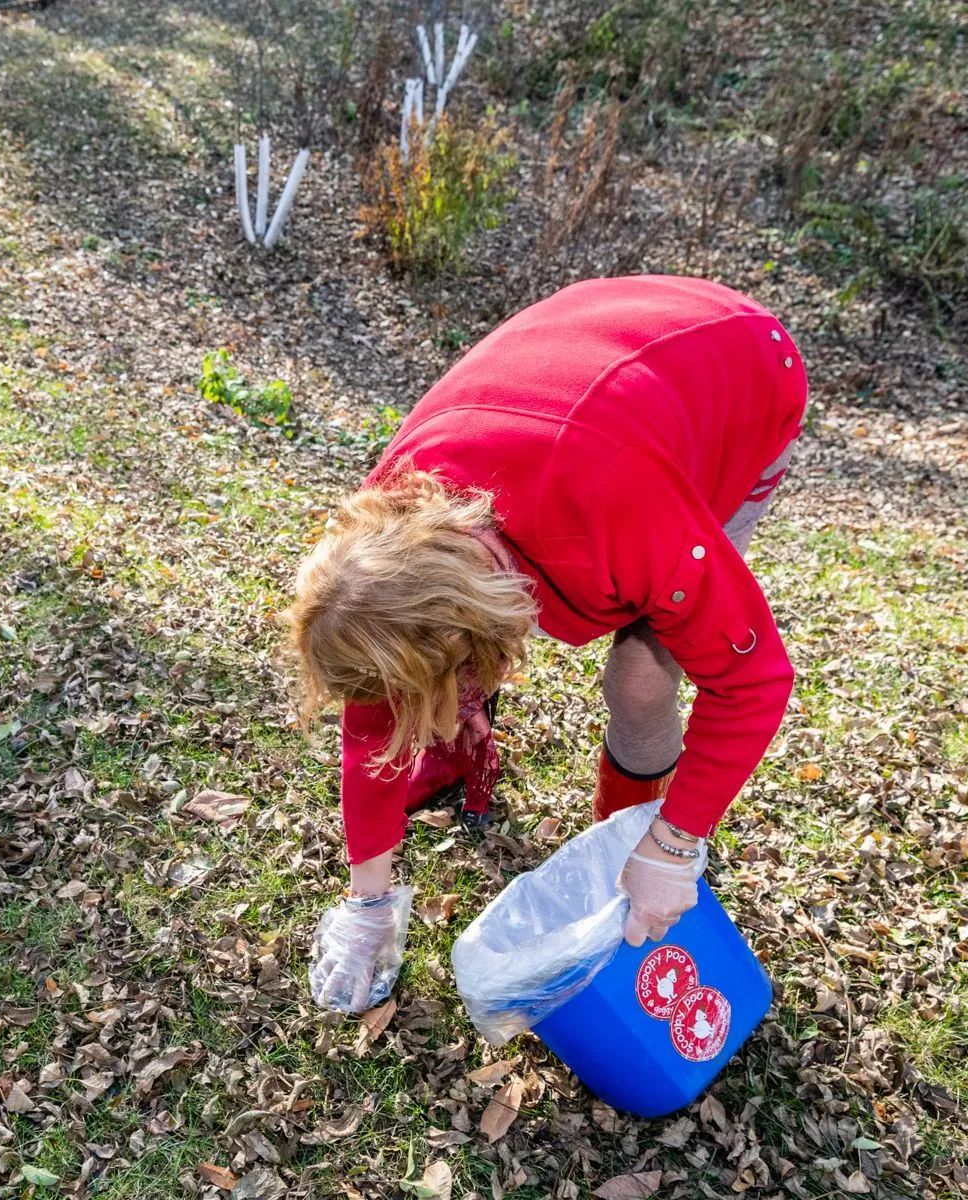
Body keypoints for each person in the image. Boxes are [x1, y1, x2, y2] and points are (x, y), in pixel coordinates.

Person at [287, 275, 807, 1013]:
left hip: (742, 367)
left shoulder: (623, 514)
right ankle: (614, 847)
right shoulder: (389, 524)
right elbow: (375, 706)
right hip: (593, 350)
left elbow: (753, 679)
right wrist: (369, 900)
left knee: (642, 679)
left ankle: (627, 843)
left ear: (479, 639)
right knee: (423, 673)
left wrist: (673, 844)